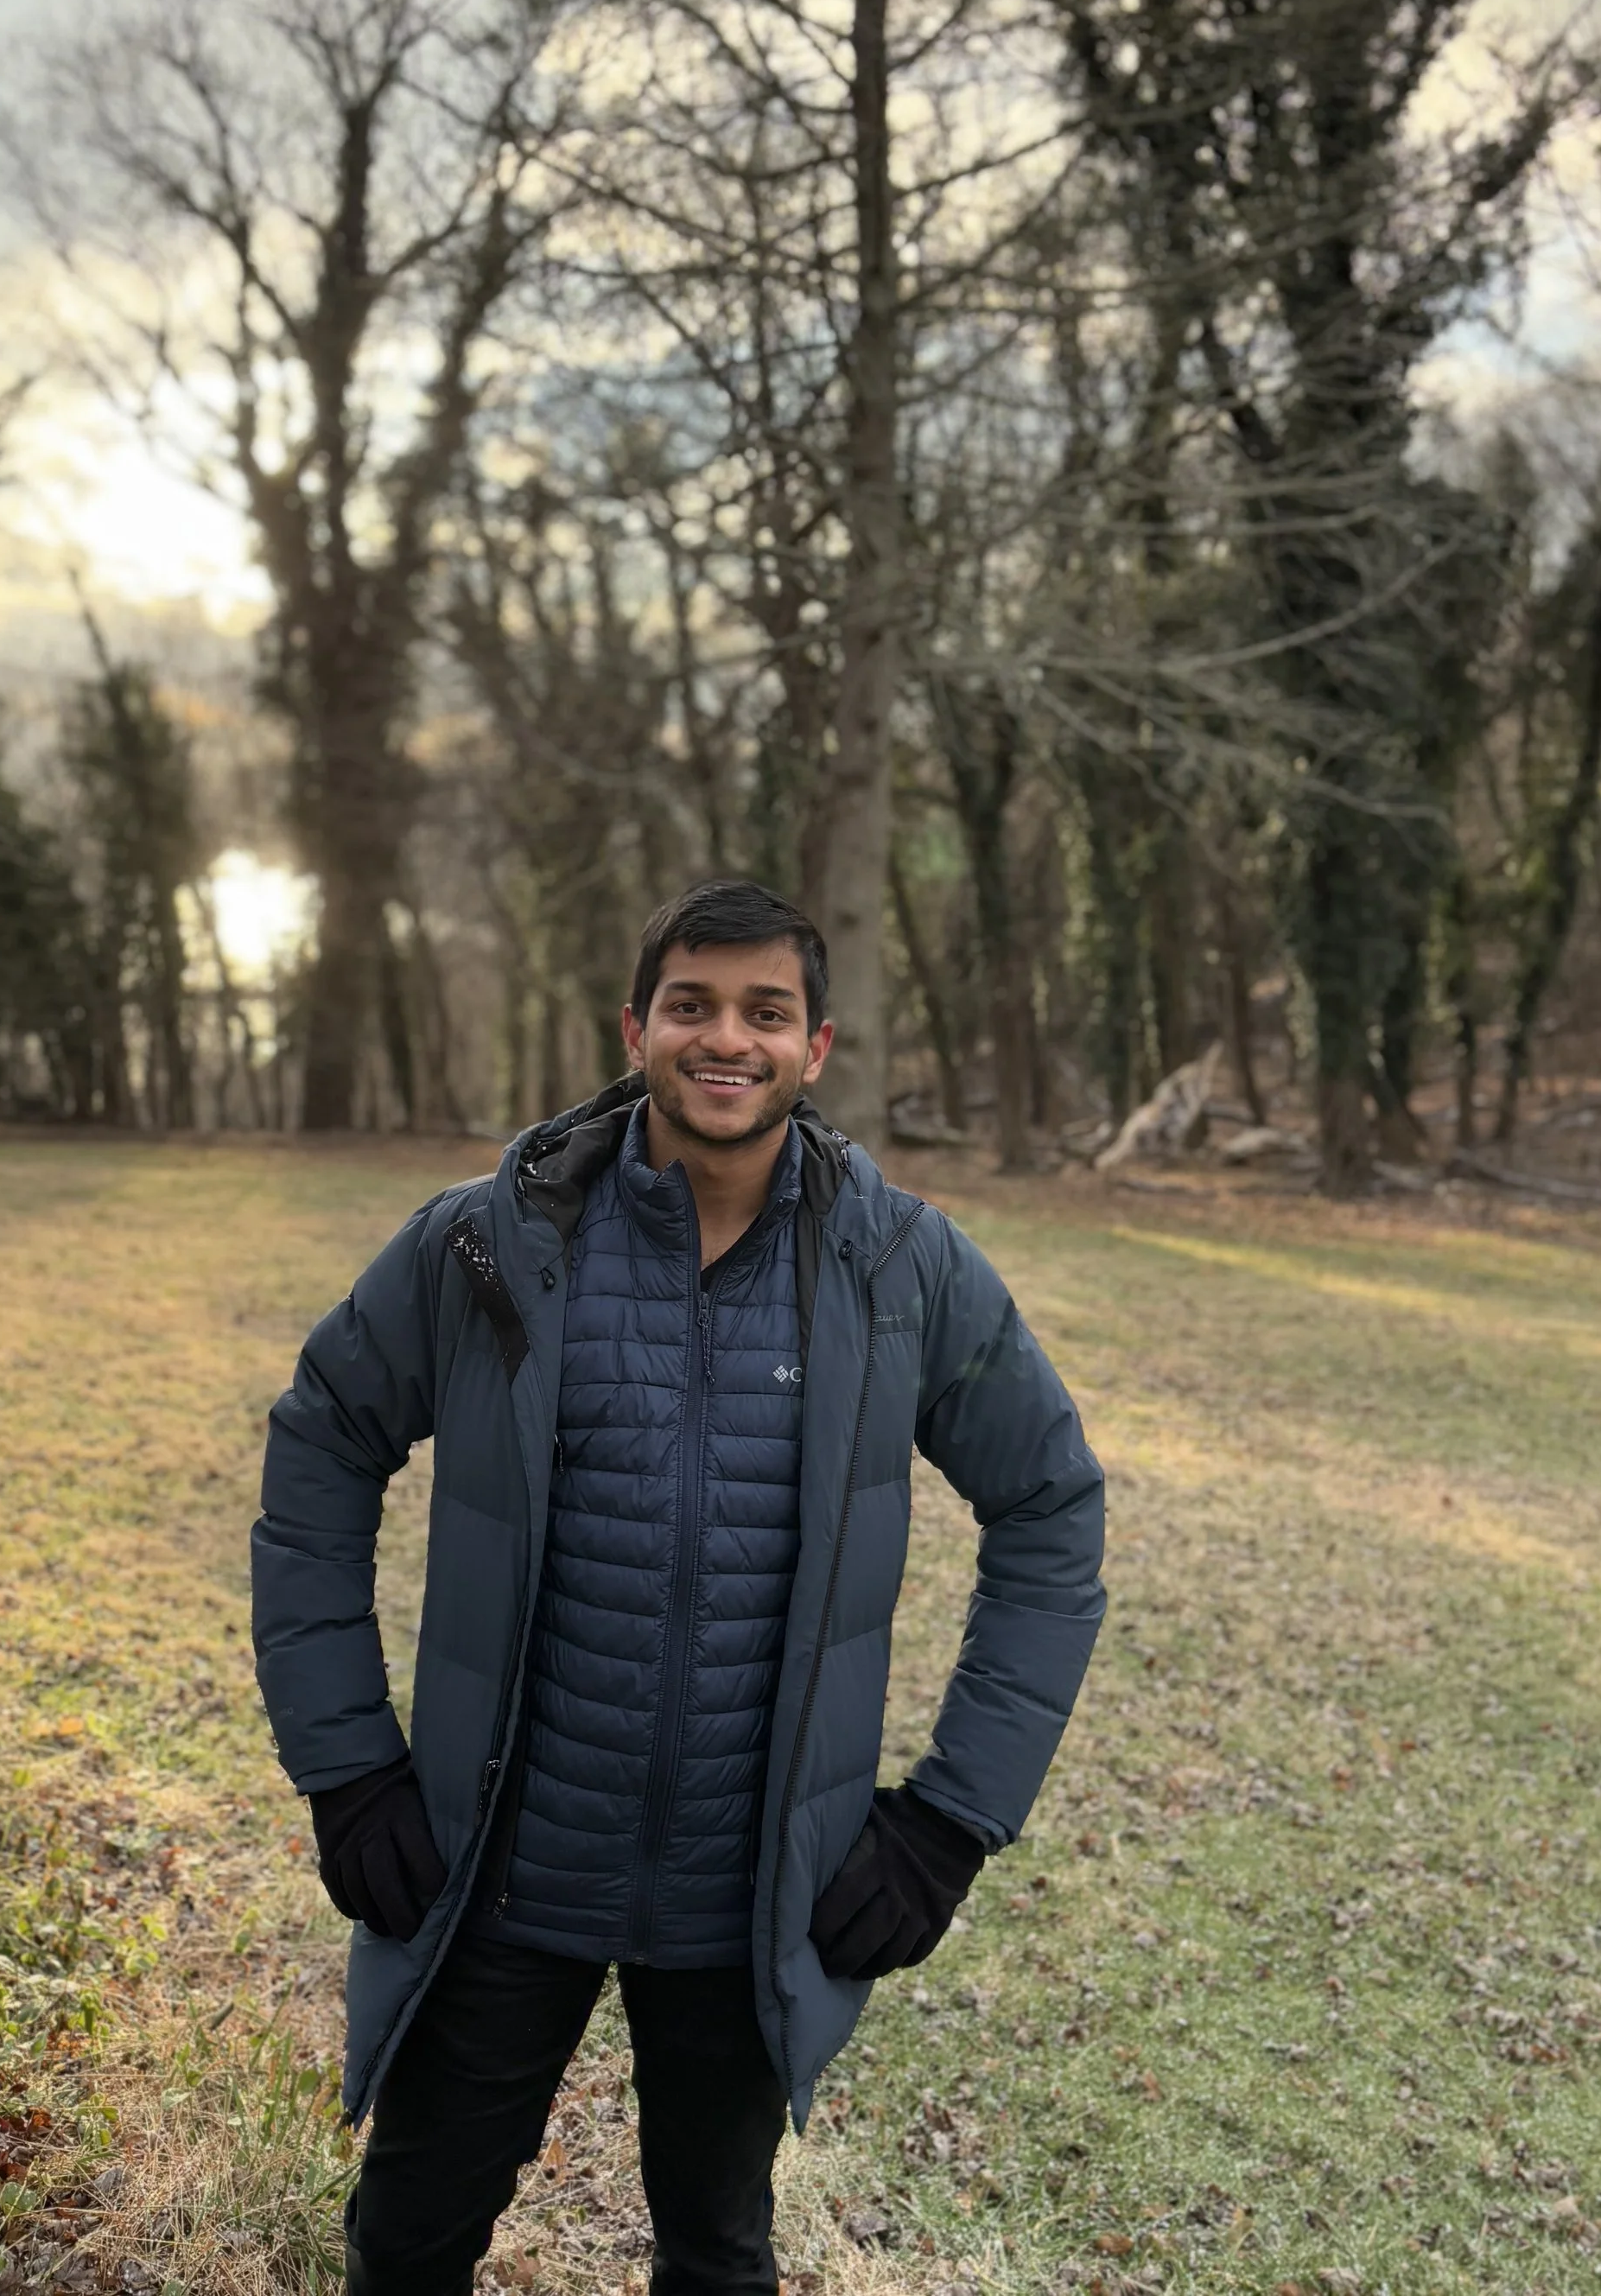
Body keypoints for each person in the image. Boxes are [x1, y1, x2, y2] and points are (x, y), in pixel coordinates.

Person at [251, 879, 1105, 2295]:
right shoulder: (492, 1243)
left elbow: (1052, 1505)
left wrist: (952, 1820)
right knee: (407, 2240)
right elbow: (322, 1441)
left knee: (719, 2254)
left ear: (815, 1046)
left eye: (766, 1013)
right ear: (636, 1024)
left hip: (749, 1891)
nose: (729, 1040)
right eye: (693, 1006)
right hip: (503, 1868)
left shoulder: (899, 1266)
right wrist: (346, 1766)